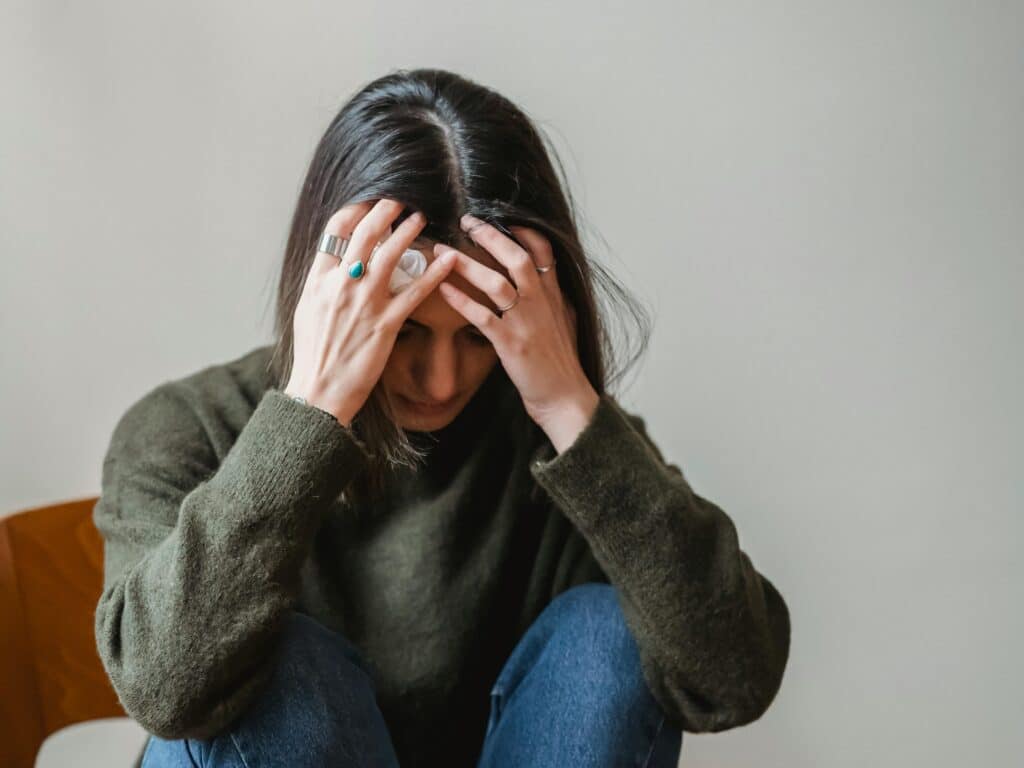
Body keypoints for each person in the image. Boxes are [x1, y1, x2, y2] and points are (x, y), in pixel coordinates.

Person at [92, 68, 791, 768]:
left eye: (479, 335)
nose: (442, 380)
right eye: (403, 332)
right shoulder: (188, 427)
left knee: (607, 632)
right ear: (329, 295)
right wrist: (310, 414)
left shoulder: (562, 448)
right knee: (272, 663)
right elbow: (165, 691)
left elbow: (733, 680)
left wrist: (571, 408)